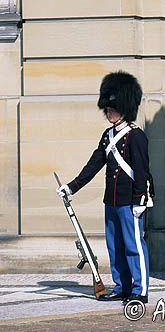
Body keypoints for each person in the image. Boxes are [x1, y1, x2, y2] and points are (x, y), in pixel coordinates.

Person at [56, 71, 151, 303]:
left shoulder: (135, 136)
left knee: (133, 246)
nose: (109, 113)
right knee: (115, 247)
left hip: (130, 200)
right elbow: (94, 164)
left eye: (113, 109)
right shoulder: (108, 136)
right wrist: (72, 187)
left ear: (124, 108)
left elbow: (142, 170)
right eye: (107, 110)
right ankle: (122, 286)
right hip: (112, 200)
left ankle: (140, 290)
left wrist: (141, 199)